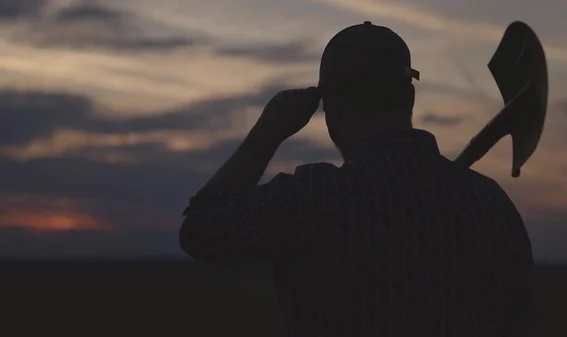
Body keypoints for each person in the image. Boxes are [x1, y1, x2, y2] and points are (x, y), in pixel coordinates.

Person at [180, 21, 535, 337]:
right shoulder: (491, 203)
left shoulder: (310, 198)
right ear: (409, 95)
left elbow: (201, 231)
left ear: (329, 104)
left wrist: (266, 133)